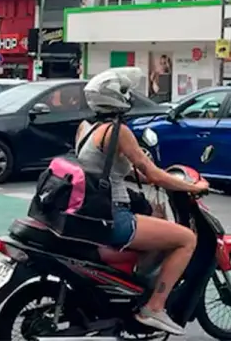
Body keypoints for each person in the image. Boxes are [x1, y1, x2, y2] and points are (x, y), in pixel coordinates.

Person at [78, 67, 208, 336]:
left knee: (156, 223)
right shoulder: (118, 130)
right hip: (115, 216)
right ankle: (155, 306)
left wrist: (143, 174)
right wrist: (192, 187)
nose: (129, 96)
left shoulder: (86, 128)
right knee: (186, 239)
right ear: (115, 97)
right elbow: (153, 173)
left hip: (93, 213)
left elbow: (108, 168)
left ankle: (134, 293)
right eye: (125, 91)